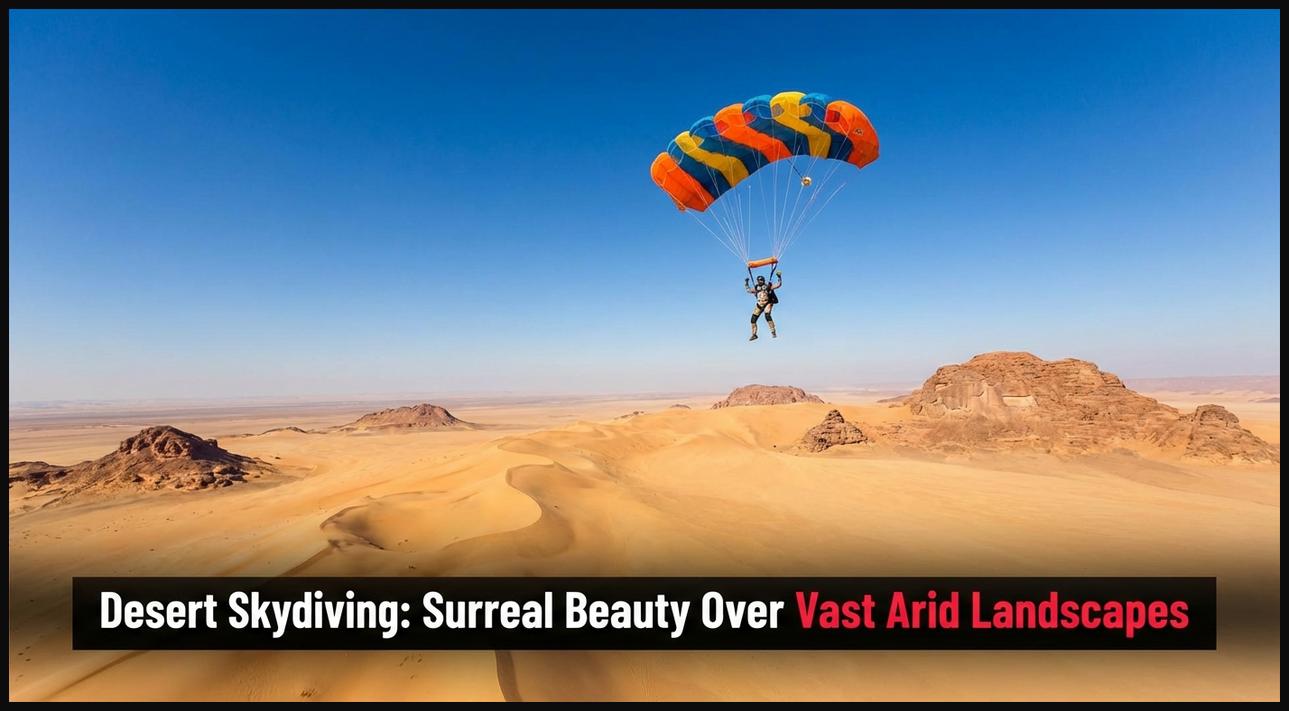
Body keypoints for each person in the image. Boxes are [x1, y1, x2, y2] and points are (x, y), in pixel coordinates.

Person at [744, 271, 782, 341]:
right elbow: (748, 290)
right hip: (759, 305)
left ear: (764, 281)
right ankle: (754, 334)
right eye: (759, 280)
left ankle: (773, 331)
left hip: (767, 303)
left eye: (761, 280)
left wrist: (779, 277)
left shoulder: (768, 287)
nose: (760, 281)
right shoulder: (756, 288)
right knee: (753, 320)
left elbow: (778, 285)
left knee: (767, 315)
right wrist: (746, 283)